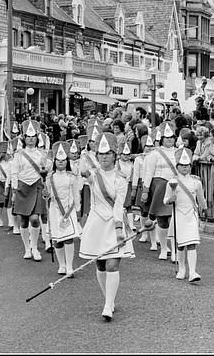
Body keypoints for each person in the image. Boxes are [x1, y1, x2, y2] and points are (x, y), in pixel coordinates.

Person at [79, 132, 136, 321]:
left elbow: (119, 206)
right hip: (96, 223)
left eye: (108, 153)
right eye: (101, 154)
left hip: (114, 223)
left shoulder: (121, 178)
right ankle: (108, 299)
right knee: (100, 263)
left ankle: (108, 305)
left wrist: (120, 230)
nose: (104, 157)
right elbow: (83, 173)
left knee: (113, 264)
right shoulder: (94, 175)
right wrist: (83, 158)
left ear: (115, 155)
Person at [164, 147, 207, 282]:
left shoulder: (196, 182)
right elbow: (165, 199)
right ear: (177, 167)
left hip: (191, 215)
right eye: (181, 165)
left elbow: (201, 199)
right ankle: (182, 268)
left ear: (190, 166)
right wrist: (170, 200)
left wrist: (205, 210)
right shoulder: (172, 182)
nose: (184, 167)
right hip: (178, 214)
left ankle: (193, 272)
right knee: (181, 244)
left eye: (186, 165)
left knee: (192, 243)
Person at [11, 119, 48, 262]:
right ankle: (27, 248)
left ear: (37, 138)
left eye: (33, 137)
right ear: (24, 138)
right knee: (24, 221)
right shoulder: (19, 154)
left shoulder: (42, 154)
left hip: (37, 186)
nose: (31, 139)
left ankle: (35, 248)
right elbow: (14, 172)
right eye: (28, 137)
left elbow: (47, 170)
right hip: (23, 187)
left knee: (34, 219)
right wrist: (14, 190)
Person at [141, 121, 179, 260]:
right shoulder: (155, 153)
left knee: (174, 220)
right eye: (167, 138)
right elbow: (149, 173)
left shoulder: (179, 152)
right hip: (160, 186)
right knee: (162, 220)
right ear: (162, 138)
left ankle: (175, 250)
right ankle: (163, 248)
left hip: (175, 186)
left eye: (172, 137)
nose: (170, 140)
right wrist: (145, 191)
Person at [46, 141, 82, 276]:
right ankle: (61, 265)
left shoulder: (72, 177)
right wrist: (45, 195)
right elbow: (48, 194)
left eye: (63, 161)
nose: (61, 163)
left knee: (69, 238)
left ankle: (69, 266)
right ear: (54, 162)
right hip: (55, 210)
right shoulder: (50, 178)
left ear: (67, 161)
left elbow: (76, 194)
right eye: (58, 161)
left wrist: (78, 210)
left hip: (69, 210)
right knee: (57, 239)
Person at [0, 141, 15, 229]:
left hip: (8, 184)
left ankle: (11, 221)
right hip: (0, 184)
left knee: (9, 204)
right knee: (1, 203)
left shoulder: (10, 163)